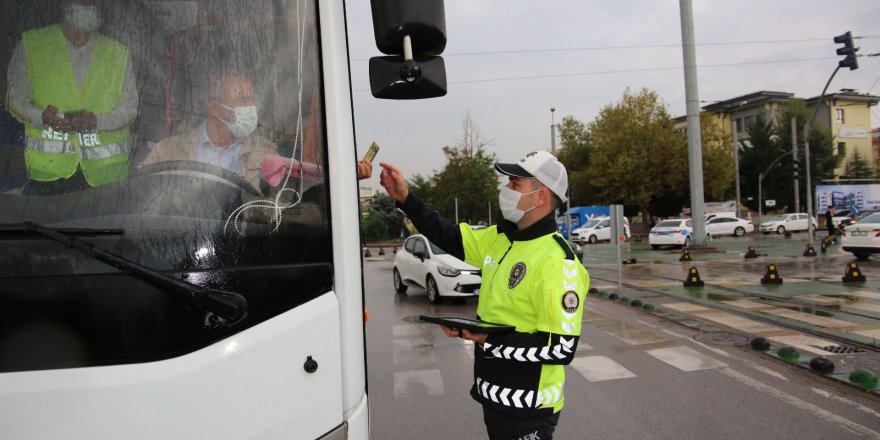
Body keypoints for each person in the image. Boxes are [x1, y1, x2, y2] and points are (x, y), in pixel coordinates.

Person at [380, 150, 589, 440]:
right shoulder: (500, 238)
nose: (506, 190)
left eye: (515, 184)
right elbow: (449, 235)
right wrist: (406, 199)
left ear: (541, 197)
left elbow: (559, 347)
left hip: (528, 408)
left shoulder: (558, 262)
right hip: (493, 397)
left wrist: (486, 338)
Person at [140, 71, 372, 189]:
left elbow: (302, 191)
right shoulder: (168, 152)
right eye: (242, 100)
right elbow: (142, 202)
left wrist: (348, 178)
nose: (250, 107)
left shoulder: (266, 152)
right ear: (213, 108)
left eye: (252, 99)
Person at [7, 0, 138, 194]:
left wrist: (97, 121)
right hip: (49, 176)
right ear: (65, 5)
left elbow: (130, 108)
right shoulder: (32, 44)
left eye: (94, 3)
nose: (90, 5)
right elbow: (13, 100)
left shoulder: (118, 53)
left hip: (107, 178)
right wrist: (42, 117)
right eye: (83, 2)